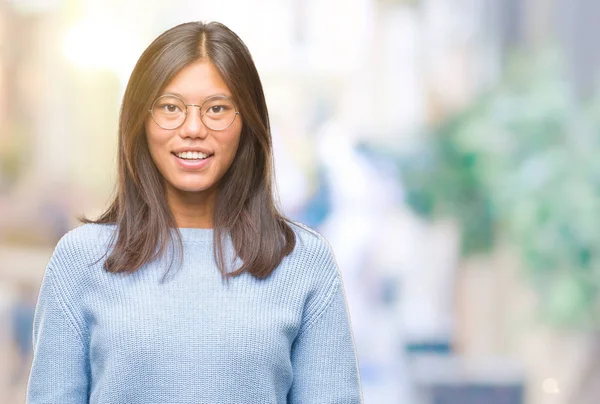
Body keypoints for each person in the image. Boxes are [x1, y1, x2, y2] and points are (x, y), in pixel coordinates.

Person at [26, 21, 363, 403]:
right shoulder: (81, 261)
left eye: (217, 109)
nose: (192, 128)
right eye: (170, 107)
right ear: (140, 121)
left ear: (247, 123)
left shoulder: (303, 263)